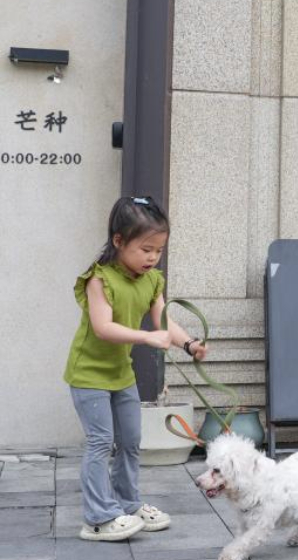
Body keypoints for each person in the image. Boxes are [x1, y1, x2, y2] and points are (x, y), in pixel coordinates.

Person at [64, 197, 208, 541]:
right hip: (88, 376)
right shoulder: (99, 279)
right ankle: (98, 518)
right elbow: (103, 328)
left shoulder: (151, 281)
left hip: (121, 375)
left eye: (158, 250)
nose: (152, 257)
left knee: (130, 441)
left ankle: (127, 505)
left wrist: (189, 344)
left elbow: (163, 322)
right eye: (146, 249)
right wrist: (146, 338)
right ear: (119, 241)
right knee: (101, 442)